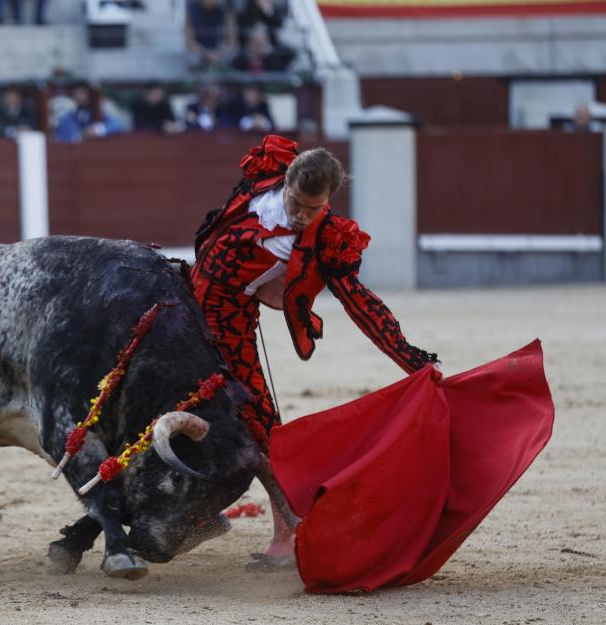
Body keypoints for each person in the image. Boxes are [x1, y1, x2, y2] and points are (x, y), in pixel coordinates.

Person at [190, 135, 440, 569]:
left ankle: (285, 537)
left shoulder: (327, 239)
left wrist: (411, 358)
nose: (302, 215)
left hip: (227, 328)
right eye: (296, 203)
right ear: (284, 182)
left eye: (313, 207)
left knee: (262, 426)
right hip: (184, 301)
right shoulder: (262, 178)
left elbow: (362, 305)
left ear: (329, 199)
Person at [53, 85, 124, 143]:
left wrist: (97, 130)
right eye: (76, 93)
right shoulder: (67, 118)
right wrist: (79, 136)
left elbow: (118, 125)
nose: (79, 97)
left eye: (83, 93)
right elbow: (60, 138)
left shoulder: (98, 113)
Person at [185, 0, 235, 70]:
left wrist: (219, 53)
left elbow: (231, 40)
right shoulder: (192, 8)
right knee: (192, 58)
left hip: (219, 51)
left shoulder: (224, 9)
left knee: (232, 55)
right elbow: (189, 41)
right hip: (200, 51)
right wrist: (206, 54)